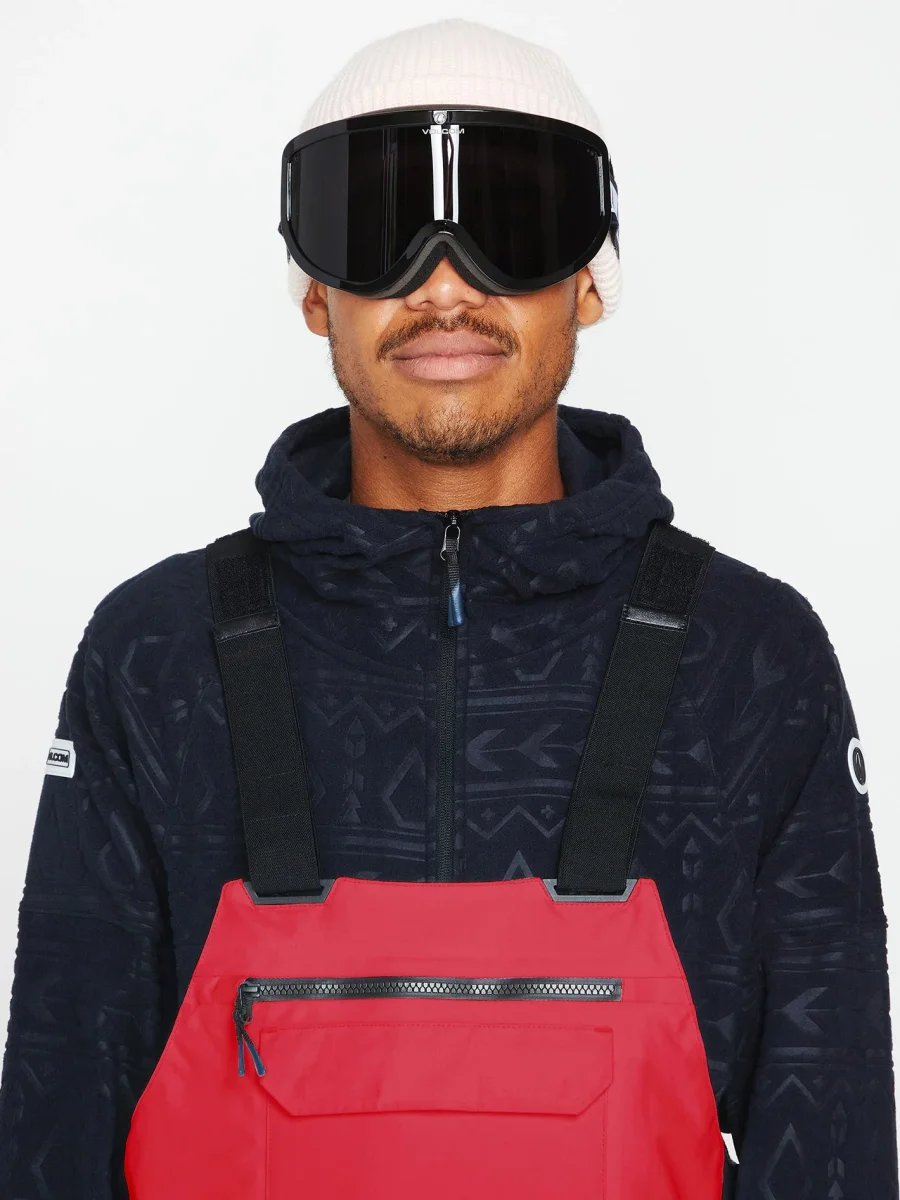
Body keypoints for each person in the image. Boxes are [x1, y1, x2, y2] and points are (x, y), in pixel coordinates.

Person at [0, 17, 896, 1200]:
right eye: (377, 230)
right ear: (314, 293)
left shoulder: (752, 661)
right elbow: (56, 1115)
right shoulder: (159, 654)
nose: (443, 284)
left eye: (511, 226)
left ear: (591, 279)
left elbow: (832, 1140)